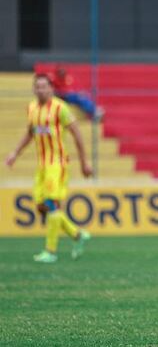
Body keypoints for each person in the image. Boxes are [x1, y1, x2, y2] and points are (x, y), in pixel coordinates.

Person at [5, 74, 92, 263]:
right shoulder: (32, 108)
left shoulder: (61, 108)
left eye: (44, 86)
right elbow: (30, 133)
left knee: (52, 204)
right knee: (41, 206)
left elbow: (77, 134)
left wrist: (85, 162)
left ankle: (50, 252)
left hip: (57, 163)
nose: (41, 90)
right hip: (42, 165)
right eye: (38, 87)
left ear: (51, 89)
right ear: (33, 89)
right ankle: (77, 234)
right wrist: (15, 153)